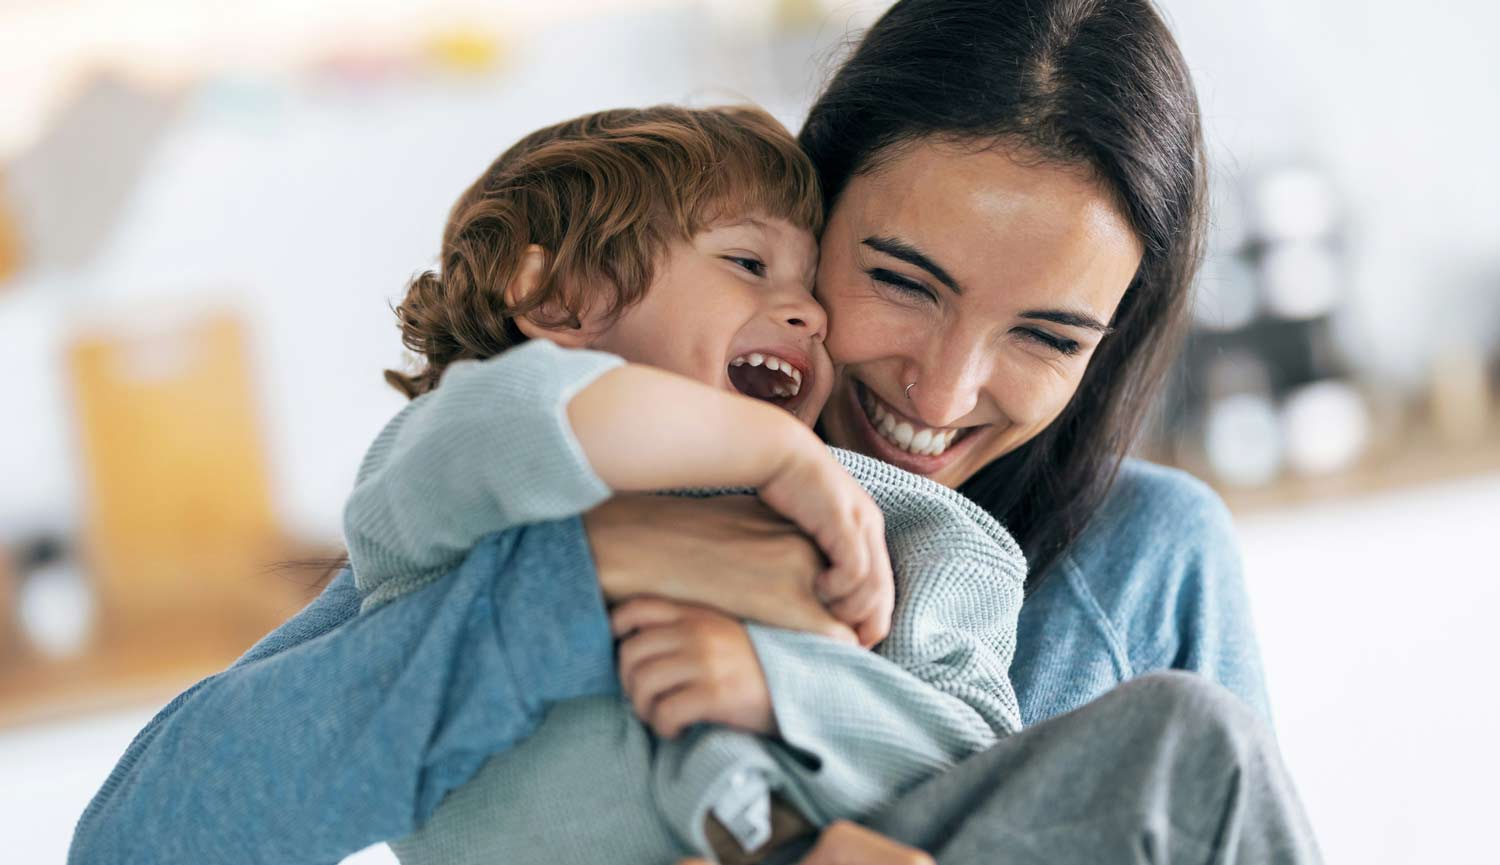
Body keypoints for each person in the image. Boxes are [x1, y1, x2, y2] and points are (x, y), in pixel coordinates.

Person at [72, 1, 1315, 863]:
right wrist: (593, 579)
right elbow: (145, 839)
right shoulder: (561, 480)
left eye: (1047, 335)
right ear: (805, 205)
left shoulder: (1140, 561)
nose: (942, 393)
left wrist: (777, 686)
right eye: (902, 278)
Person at [339, 103, 1027, 864]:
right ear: (560, 300)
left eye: (812, 289)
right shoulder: (447, 463)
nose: (809, 314)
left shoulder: (904, 521)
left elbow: (982, 754)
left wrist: (778, 686)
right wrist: (771, 452)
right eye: (748, 264)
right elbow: (525, 411)